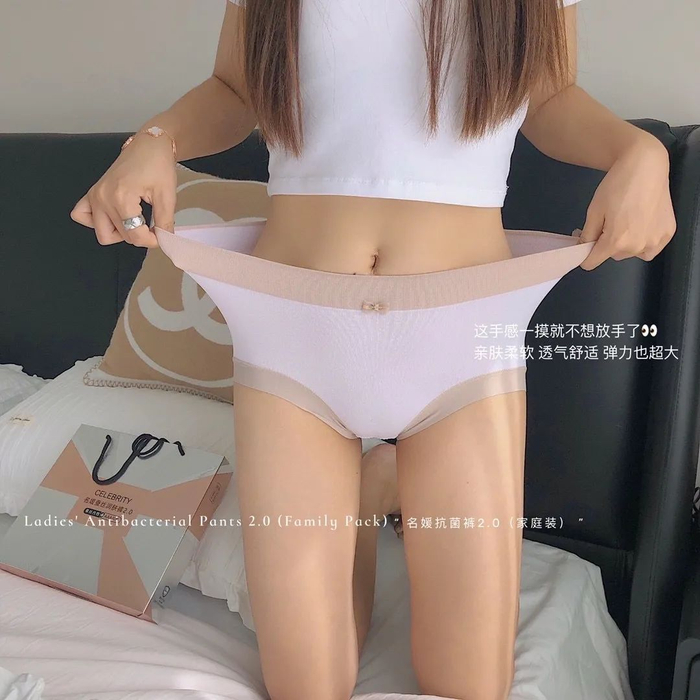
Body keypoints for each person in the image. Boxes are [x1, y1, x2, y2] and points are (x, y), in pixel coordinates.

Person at [70, 1, 676, 698]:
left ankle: (376, 480)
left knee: (469, 686)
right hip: (293, 331)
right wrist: (156, 138)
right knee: (308, 688)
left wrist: (640, 150)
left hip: (461, 334)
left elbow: (550, 95)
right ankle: (365, 503)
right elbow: (235, 88)